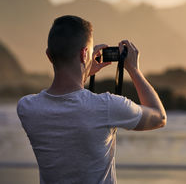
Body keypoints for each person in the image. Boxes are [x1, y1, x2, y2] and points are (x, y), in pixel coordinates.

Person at [17, 15, 166, 184]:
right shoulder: (106, 106)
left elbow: (69, 102)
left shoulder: (27, 108)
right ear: (84, 54)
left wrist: (84, 69)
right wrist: (134, 70)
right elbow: (159, 117)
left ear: (49, 55)